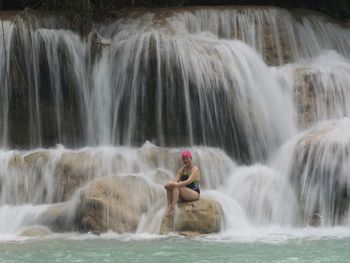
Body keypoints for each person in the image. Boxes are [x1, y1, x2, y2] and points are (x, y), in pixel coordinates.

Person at [164, 150, 200, 217]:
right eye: (184, 159)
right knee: (171, 184)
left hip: (194, 193)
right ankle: (168, 206)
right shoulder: (182, 170)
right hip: (184, 194)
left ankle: (172, 207)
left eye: (187, 158)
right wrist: (168, 184)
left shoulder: (195, 169)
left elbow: (189, 181)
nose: (185, 160)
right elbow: (175, 180)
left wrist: (175, 185)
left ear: (191, 158)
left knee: (175, 186)